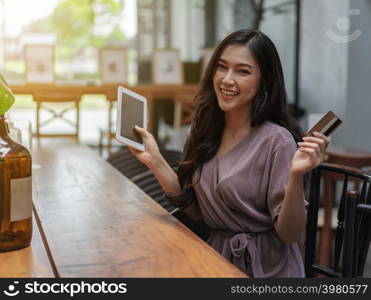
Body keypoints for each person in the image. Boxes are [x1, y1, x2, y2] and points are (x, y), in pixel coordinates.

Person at [129, 29, 330, 277]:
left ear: (264, 80)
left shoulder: (277, 141)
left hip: (268, 270)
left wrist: (296, 176)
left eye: (243, 71)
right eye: (222, 67)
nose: (226, 79)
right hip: (213, 261)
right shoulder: (203, 129)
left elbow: (289, 234)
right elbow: (197, 212)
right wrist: (155, 161)